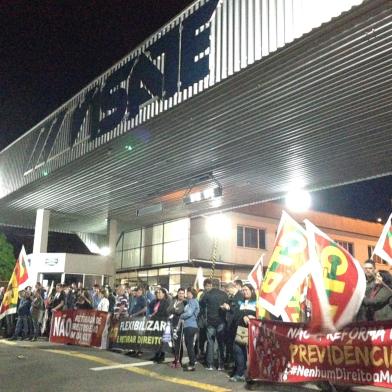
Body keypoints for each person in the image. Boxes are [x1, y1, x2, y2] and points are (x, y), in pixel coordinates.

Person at [229, 284, 256, 382]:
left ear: (252, 290)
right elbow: (236, 315)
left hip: (254, 331)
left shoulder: (257, 302)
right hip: (242, 330)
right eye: (243, 290)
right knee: (238, 350)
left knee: (252, 353)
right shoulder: (241, 302)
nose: (245, 292)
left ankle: (249, 373)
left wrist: (252, 318)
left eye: (247, 290)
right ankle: (240, 372)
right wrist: (243, 317)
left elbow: (261, 316)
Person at [199, 278, 228, 371]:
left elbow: (201, 305)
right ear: (219, 285)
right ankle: (221, 365)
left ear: (211, 285)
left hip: (210, 322)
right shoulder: (224, 294)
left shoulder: (207, 295)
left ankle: (210, 364)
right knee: (221, 343)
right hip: (221, 322)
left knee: (210, 343)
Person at [149, 287, 171, 363]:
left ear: (164, 294)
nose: (158, 294)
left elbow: (166, 313)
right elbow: (151, 308)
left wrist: (155, 316)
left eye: (159, 293)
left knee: (161, 340)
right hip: (156, 323)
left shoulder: (166, 302)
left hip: (162, 323)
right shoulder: (156, 301)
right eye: (157, 293)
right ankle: (156, 355)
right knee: (156, 340)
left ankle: (161, 356)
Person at [181, 287, 200, 372]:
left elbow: (189, 313)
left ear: (191, 294)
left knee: (189, 346)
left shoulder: (192, 301)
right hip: (191, 325)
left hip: (190, 325)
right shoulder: (192, 301)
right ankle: (193, 361)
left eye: (188, 293)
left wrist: (181, 316)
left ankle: (192, 364)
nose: (186, 294)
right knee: (190, 345)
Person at [168, 288, 186, 368]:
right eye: (180, 293)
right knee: (174, 342)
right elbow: (168, 309)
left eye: (182, 293)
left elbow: (179, 311)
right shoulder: (174, 300)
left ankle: (179, 360)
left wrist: (173, 309)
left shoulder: (184, 302)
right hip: (172, 323)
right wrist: (174, 309)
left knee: (179, 342)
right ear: (177, 293)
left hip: (180, 324)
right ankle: (175, 359)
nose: (181, 295)